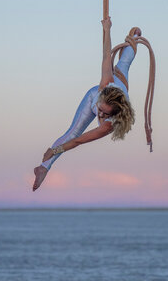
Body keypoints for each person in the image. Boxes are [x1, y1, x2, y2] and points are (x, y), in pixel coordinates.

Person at [33, 17, 139, 191]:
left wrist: (56, 149)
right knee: (72, 131)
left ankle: (133, 38)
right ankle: (44, 168)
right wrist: (107, 29)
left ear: (113, 114)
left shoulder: (108, 125)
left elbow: (79, 141)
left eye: (105, 114)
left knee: (124, 64)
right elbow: (106, 54)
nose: (100, 115)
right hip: (93, 96)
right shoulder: (106, 83)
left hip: (111, 92)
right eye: (101, 110)